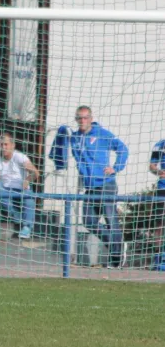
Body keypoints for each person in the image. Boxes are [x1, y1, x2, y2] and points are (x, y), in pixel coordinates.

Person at [52, 105, 129, 268]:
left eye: (85, 117)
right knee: (88, 221)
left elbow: (122, 149)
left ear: (91, 119)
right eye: (79, 118)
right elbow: (62, 145)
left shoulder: (102, 134)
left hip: (106, 185)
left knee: (111, 221)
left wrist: (116, 167)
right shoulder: (74, 138)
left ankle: (116, 258)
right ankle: (117, 246)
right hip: (89, 188)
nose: (82, 121)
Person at [0, 132, 40, 239]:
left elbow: (36, 173)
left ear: (13, 145)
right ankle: (18, 220)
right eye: (1, 145)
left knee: (29, 200)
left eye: (6, 144)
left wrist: (28, 179)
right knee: (1, 193)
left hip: (22, 189)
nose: (3, 147)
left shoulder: (20, 157)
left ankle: (27, 227)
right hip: (6, 190)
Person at [149, 139, 165, 250]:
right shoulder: (160, 145)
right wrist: (159, 172)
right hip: (162, 188)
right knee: (159, 223)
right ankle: (158, 254)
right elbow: (152, 166)